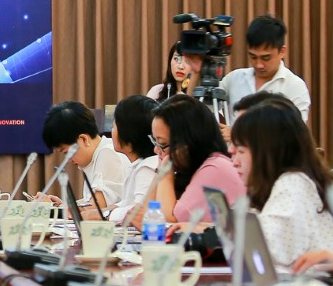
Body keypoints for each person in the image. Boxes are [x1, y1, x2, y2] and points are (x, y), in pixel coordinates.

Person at [230, 102, 333, 266]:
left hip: (322, 281)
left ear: (268, 153)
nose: (235, 162)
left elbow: (262, 247)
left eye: (241, 151)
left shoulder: (293, 184)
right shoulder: (280, 184)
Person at [134, 94, 246, 229]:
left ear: (189, 142)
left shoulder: (215, 167)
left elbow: (167, 222)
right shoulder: (194, 168)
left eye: (162, 144)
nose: (156, 150)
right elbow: (147, 213)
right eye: (155, 142)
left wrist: (165, 171)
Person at [39, 101, 128, 214]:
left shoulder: (107, 153)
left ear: (84, 139)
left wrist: (52, 209)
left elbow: (97, 208)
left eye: (67, 153)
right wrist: (62, 205)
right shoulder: (96, 157)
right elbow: (89, 204)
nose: (69, 160)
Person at [218, 14, 311, 123]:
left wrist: (236, 131)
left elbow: (295, 130)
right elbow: (206, 109)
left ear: (282, 51)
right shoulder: (234, 79)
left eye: (266, 58)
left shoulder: (295, 86)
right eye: (253, 57)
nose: (259, 65)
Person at [106, 95, 160, 224]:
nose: (111, 132)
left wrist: (107, 215)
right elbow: (126, 203)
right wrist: (100, 212)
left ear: (128, 134)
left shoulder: (148, 168)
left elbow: (138, 211)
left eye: (114, 126)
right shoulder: (138, 165)